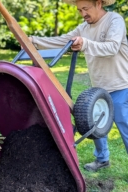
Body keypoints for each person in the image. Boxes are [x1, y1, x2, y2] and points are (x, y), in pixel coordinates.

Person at [29, 0, 128, 171]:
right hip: (99, 86)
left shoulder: (114, 20)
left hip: (121, 84)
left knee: (123, 122)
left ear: (98, 3)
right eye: (79, 10)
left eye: (86, 9)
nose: (83, 14)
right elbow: (62, 41)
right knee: (94, 120)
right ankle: (102, 159)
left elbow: (112, 47)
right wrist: (33, 41)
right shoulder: (84, 28)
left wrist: (85, 43)